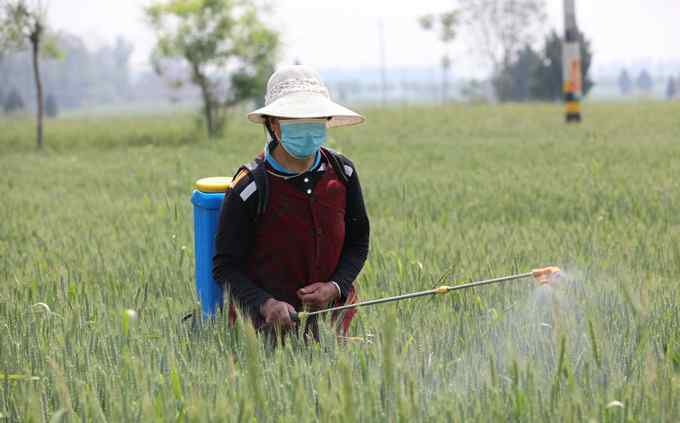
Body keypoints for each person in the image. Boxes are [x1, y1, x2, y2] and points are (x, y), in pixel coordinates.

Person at [213, 65, 370, 339]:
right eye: (297, 121)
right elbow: (226, 267)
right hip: (267, 331)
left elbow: (358, 242)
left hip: (334, 326)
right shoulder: (250, 187)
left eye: (315, 120)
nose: (307, 130)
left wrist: (335, 287)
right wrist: (266, 304)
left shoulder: (343, 173)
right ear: (273, 124)